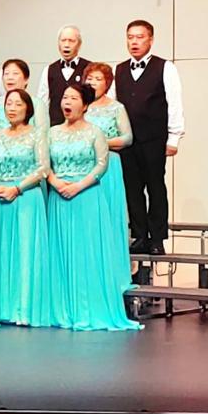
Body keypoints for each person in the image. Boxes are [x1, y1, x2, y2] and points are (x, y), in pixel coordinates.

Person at [39, 83, 140, 331]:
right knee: (61, 252)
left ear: (85, 105)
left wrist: (78, 186)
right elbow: (44, 164)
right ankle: (62, 309)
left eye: (73, 98)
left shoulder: (95, 132)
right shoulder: (52, 133)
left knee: (88, 252)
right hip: (59, 197)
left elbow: (101, 165)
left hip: (86, 196)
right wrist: (56, 182)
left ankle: (89, 307)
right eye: (65, 97)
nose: (67, 102)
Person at [110, 20, 185, 256]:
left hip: (154, 139)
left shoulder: (165, 67)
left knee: (155, 187)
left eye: (140, 37)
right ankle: (139, 235)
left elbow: (174, 102)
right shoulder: (119, 70)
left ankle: (157, 238)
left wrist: (174, 137)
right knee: (132, 189)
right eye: (130, 37)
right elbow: (113, 105)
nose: (134, 42)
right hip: (128, 141)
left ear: (150, 40)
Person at [0, 90, 49, 325]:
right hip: (0, 197)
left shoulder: (37, 135)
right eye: (9, 104)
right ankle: (2, 307)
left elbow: (42, 169)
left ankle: (23, 308)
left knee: (24, 252)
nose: (12, 108)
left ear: (28, 108)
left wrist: (17, 188)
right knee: (0, 252)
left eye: (17, 104)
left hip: (26, 198)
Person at [84, 62, 133, 278]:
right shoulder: (81, 106)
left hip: (109, 165)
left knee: (108, 215)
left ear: (107, 83)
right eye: (90, 78)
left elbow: (127, 138)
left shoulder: (116, 107)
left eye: (98, 79)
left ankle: (113, 271)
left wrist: (100, 142)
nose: (93, 83)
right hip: (84, 165)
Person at [0, 58, 48, 139]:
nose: (10, 77)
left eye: (15, 73)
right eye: (6, 74)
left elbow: (43, 134)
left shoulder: (37, 104)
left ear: (26, 79)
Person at [38, 25, 91, 126]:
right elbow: (43, 104)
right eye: (63, 40)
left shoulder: (89, 68)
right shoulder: (49, 70)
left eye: (71, 41)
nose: (66, 45)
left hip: (82, 128)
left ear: (79, 44)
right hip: (55, 128)